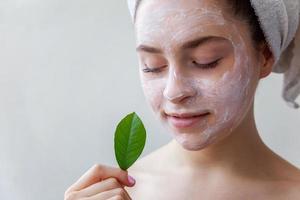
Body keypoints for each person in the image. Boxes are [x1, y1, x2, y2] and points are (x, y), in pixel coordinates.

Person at [64, 0, 300, 199]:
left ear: (266, 55)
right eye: (152, 66)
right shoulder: (121, 191)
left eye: (204, 60)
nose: (173, 91)